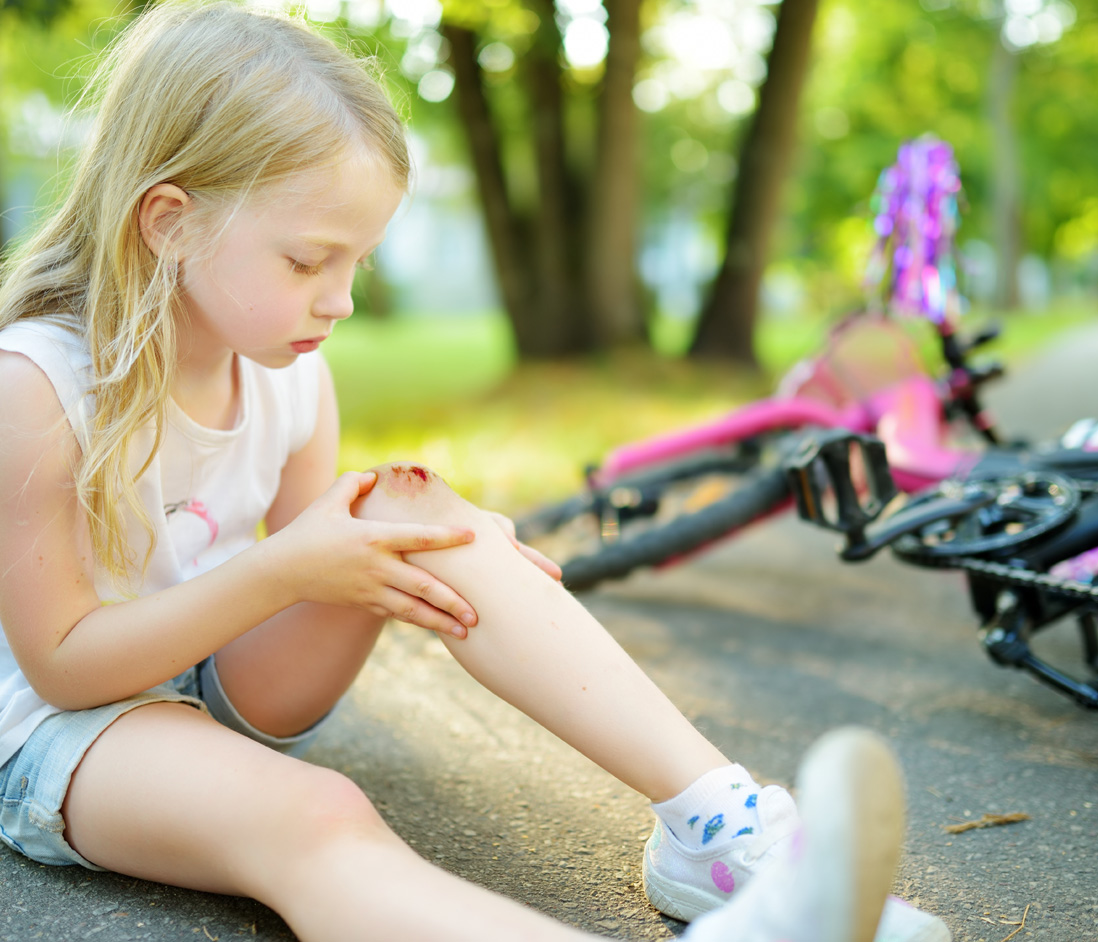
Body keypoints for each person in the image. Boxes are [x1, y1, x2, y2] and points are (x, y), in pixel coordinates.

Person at [0, 4, 948, 941]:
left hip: (206, 677)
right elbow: (67, 665)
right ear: (168, 221)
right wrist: (293, 567)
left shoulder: (292, 379)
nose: (341, 300)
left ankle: (717, 828)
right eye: (307, 260)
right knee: (317, 818)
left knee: (406, 504)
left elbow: (310, 582)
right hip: (63, 726)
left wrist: (413, 546)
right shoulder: (38, 387)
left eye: (360, 262)